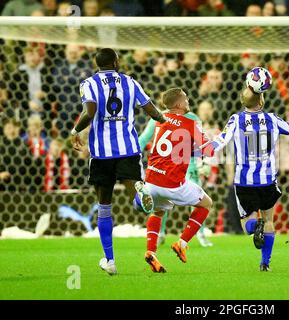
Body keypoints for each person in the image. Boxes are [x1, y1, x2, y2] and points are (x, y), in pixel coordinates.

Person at [208, 87, 289, 271]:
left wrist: (198, 150)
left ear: (243, 101)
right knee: (269, 221)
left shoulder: (236, 119)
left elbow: (221, 141)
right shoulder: (272, 119)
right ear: (262, 101)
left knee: (246, 224)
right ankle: (265, 263)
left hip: (244, 181)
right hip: (268, 180)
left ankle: (254, 225)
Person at [70, 48, 166, 275]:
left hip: (102, 154)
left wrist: (76, 129)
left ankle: (110, 260)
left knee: (104, 206)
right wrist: (166, 120)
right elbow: (151, 110)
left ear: (97, 64)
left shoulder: (88, 84)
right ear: (115, 62)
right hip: (128, 149)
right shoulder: (130, 82)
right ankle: (139, 194)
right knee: (133, 186)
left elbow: (90, 111)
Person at [134, 87, 215, 273]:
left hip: (152, 179)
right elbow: (208, 150)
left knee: (158, 211)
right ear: (178, 104)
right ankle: (182, 243)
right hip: (173, 183)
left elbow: (150, 141)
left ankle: (151, 252)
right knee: (206, 204)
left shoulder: (158, 120)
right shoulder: (190, 123)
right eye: (185, 99)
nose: (188, 102)